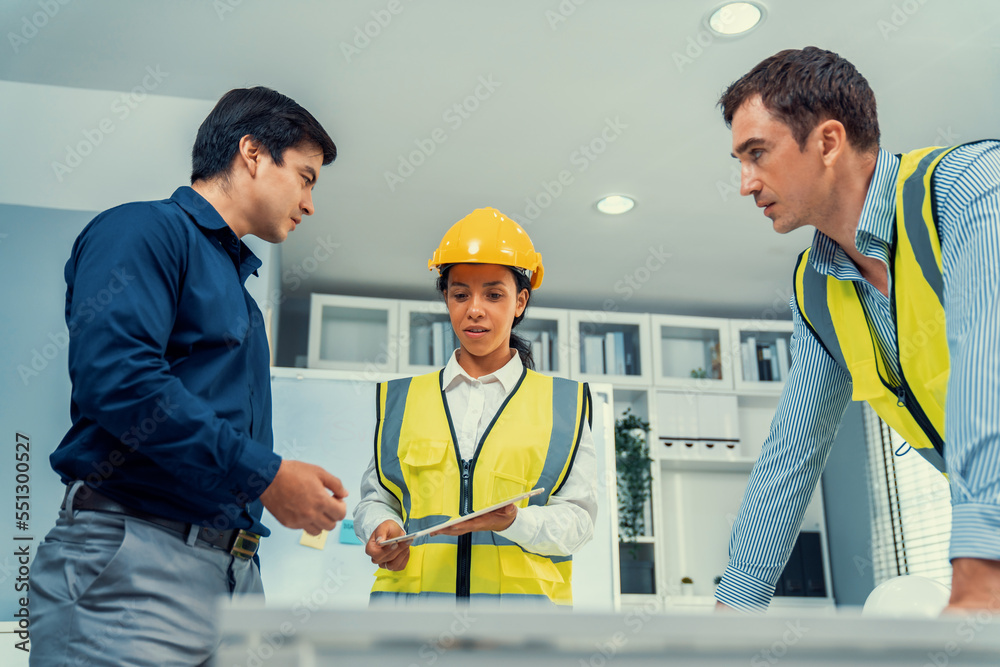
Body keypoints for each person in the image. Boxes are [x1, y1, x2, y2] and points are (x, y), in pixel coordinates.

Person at [28, 86, 348, 665]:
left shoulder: (244, 302)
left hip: (234, 580)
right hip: (134, 566)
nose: (309, 202)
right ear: (252, 153)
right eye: (305, 177)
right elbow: (119, 380)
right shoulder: (142, 231)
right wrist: (266, 476)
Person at [714, 46, 1000, 613]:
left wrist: (982, 575)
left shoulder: (970, 188)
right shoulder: (816, 287)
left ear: (827, 141)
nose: (745, 183)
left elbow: (986, 368)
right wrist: (733, 617)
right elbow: (791, 454)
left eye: (757, 154)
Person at [353, 207, 598, 606]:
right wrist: (380, 525)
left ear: (520, 302)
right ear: (446, 299)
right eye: (460, 294)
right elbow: (377, 497)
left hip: (520, 635)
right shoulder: (401, 400)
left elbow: (579, 522)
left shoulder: (563, 406)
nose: (475, 309)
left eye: (494, 294)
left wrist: (517, 520)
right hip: (409, 629)